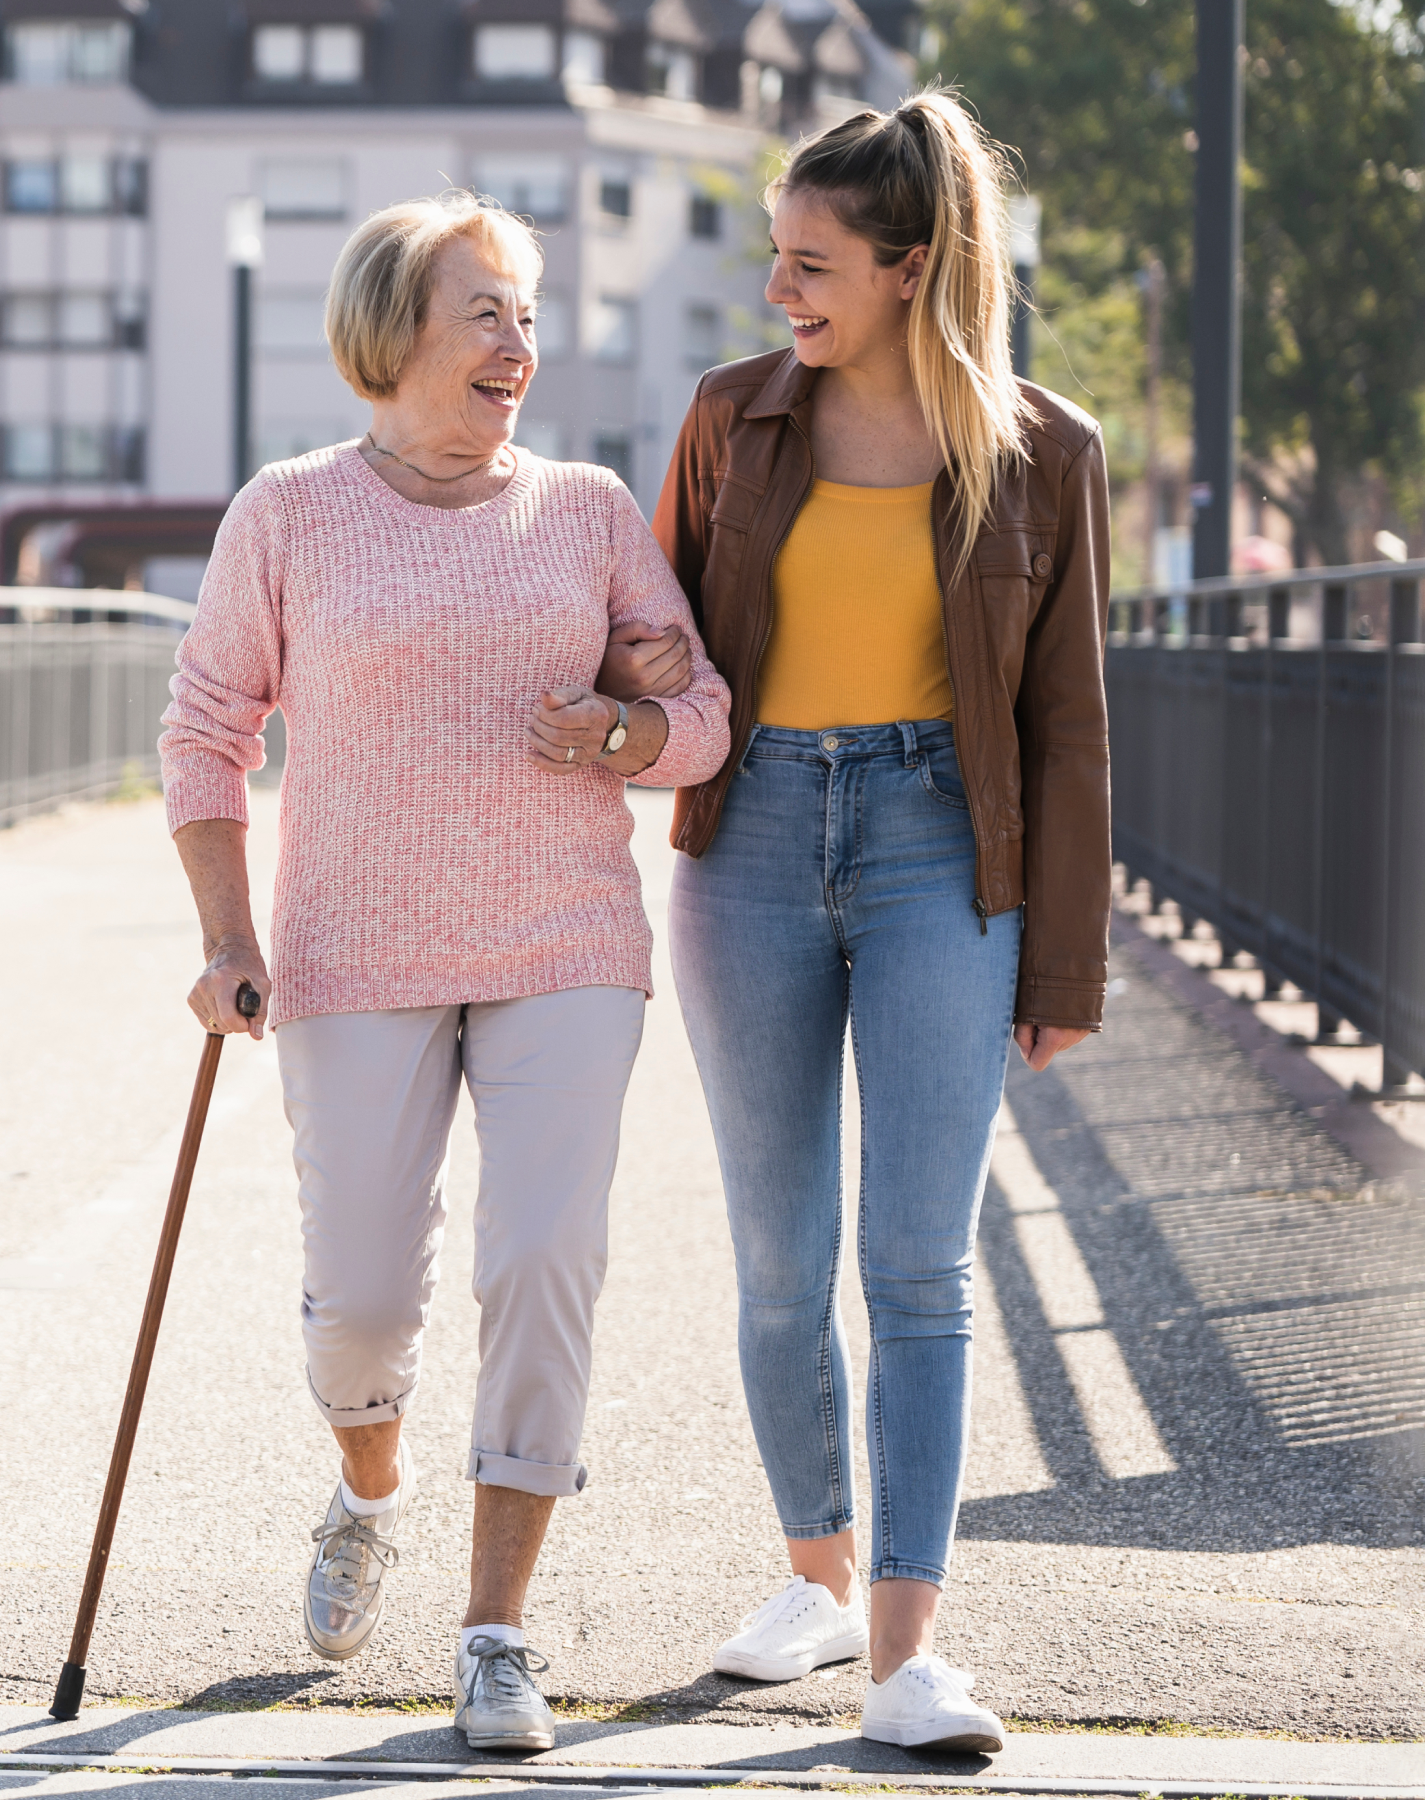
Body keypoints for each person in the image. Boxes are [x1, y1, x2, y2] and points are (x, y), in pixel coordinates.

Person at [160, 193, 730, 1752]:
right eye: (486, 310)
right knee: (357, 1306)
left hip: (562, 939)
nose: (518, 343)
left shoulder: (591, 511)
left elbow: (703, 715)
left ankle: (497, 1631)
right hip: (351, 950)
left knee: (543, 1260)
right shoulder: (287, 514)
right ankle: (368, 1487)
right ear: (393, 331)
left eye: (528, 313)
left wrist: (624, 736)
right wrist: (227, 937)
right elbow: (206, 731)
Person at [604, 92, 1113, 1755]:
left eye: (811, 265)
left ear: (911, 267)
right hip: (747, 841)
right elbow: (647, 638)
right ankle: (813, 1583)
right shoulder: (728, 420)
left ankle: (906, 1652)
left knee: (917, 1262)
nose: (779, 293)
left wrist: (1063, 964)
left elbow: (1070, 726)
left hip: (937, 854)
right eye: (774, 257)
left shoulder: (1044, 452)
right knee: (776, 1257)